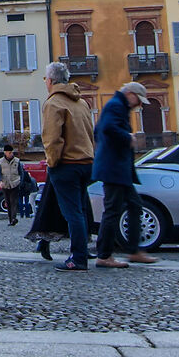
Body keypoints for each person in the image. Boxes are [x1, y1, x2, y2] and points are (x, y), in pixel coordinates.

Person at [93, 82, 159, 268]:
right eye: (138, 99)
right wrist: (127, 137)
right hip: (114, 168)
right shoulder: (116, 106)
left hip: (116, 168)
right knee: (113, 210)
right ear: (130, 94)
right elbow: (107, 128)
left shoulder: (116, 105)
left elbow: (98, 131)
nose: (139, 104)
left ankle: (133, 250)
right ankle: (104, 255)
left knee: (134, 205)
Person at [38, 63, 96, 270]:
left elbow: (53, 138)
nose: (45, 82)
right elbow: (90, 133)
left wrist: (52, 163)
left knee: (73, 213)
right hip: (86, 162)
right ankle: (80, 252)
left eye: (45, 79)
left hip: (67, 164)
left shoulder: (54, 103)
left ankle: (78, 258)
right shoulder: (81, 103)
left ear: (51, 81)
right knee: (79, 210)